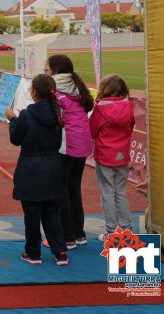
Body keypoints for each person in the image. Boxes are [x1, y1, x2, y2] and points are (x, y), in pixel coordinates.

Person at [5, 74, 68, 266]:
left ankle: (33, 253)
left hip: (31, 168)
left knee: (32, 214)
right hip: (53, 167)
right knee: (52, 212)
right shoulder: (57, 113)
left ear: (34, 92)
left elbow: (16, 139)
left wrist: (13, 120)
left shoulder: (27, 114)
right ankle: (61, 252)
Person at [44, 54, 94, 249]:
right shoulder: (77, 86)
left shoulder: (54, 88)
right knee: (73, 188)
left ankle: (67, 237)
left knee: (61, 189)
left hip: (67, 144)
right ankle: (78, 233)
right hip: (81, 144)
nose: (45, 72)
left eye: (46, 69)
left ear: (55, 70)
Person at [90, 74, 135, 241]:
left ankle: (111, 231)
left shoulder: (101, 108)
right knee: (121, 193)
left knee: (107, 193)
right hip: (122, 155)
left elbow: (92, 131)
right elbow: (130, 127)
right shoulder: (128, 106)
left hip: (105, 156)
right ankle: (126, 228)